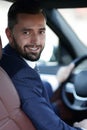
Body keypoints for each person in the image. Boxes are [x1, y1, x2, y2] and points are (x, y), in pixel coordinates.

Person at [0, 1, 87, 130]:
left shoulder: (8, 58)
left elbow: (33, 93)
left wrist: (57, 80)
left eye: (41, 32)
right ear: (9, 34)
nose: (36, 41)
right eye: (27, 32)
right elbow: (52, 127)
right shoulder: (21, 74)